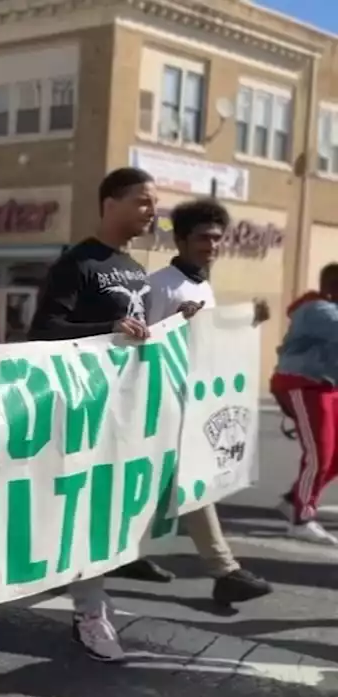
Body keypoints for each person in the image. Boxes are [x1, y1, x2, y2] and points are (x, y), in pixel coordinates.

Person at [30, 167, 188, 662]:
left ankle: (90, 597)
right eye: (142, 201)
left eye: (154, 202)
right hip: (82, 410)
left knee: (106, 509)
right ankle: (90, 613)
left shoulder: (135, 267)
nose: (151, 212)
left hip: (124, 412)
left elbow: (138, 333)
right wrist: (110, 327)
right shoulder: (77, 264)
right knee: (81, 509)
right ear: (109, 203)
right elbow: (44, 330)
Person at [145, 198, 273, 603]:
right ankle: (224, 570)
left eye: (217, 238)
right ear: (180, 240)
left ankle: (123, 558)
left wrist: (249, 323)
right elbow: (139, 342)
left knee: (172, 485)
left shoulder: (202, 285)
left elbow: (208, 340)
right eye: (203, 237)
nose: (212, 245)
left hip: (193, 401)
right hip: (160, 402)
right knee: (189, 483)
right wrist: (173, 322)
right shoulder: (159, 284)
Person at [271, 262, 338, 545]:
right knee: (319, 455)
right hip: (303, 384)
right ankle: (301, 519)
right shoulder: (317, 310)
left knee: (333, 454)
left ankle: (293, 500)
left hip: (325, 385)